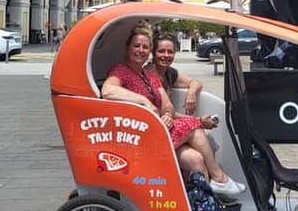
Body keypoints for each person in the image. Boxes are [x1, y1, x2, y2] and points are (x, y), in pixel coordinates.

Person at [101, 26, 245, 195]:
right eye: (136, 46)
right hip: (139, 137)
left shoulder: (149, 76)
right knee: (195, 129)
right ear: (128, 48)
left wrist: (168, 114)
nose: (141, 50)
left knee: (196, 159)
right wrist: (144, 101)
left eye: (145, 47)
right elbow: (108, 90)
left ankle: (205, 203)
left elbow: (167, 105)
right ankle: (219, 178)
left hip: (157, 131)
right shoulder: (121, 71)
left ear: (149, 51)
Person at [149, 33, 204, 114]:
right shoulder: (148, 74)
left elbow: (196, 82)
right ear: (153, 53)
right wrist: (198, 120)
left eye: (170, 52)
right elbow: (164, 111)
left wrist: (191, 93)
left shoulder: (169, 72)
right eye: (161, 51)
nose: (166, 55)